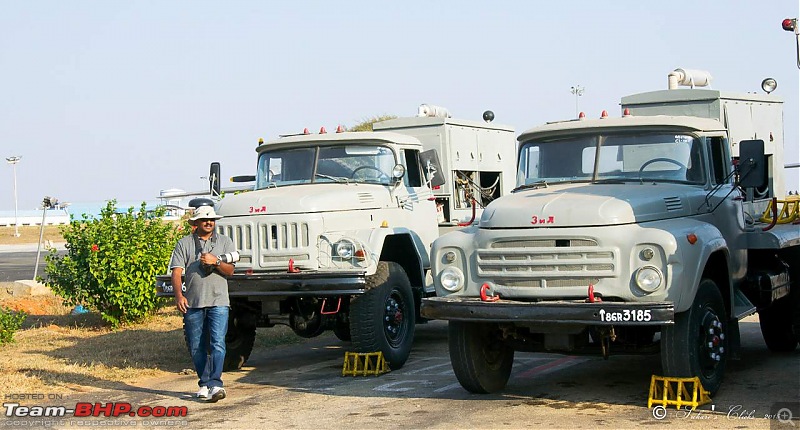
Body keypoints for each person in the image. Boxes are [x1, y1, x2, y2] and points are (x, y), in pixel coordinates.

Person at [169, 205, 236, 402]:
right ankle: (204, 382)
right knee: (196, 345)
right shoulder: (184, 244)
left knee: (217, 343)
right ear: (196, 222)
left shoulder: (225, 242)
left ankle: (216, 383)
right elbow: (176, 272)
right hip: (193, 302)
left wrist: (215, 262)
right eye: (205, 220)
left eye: (212, 220)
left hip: (219, 300)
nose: (209, 223)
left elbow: (230, 271)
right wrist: (179, 297)